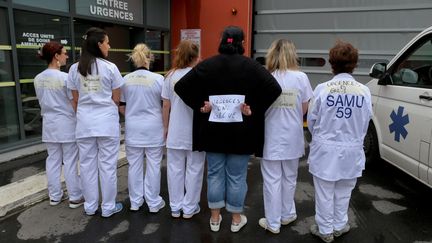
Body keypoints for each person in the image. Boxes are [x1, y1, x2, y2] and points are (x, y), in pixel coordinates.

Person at [174, 26, 281, 233]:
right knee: (237, 176)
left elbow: (181, 87)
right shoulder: (251, 66)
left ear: (222, 40)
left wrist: (201, 104)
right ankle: (235, 219)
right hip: (242, 133)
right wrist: (253, 108)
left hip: (213, 132)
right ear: (242, 43)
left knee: (214, 174)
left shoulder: (208, 64)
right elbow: (274, 89)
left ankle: (215, 219)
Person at [307, 40, 372, 242]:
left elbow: (311, 120)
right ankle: (339, 225)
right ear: (354, 63)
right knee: (344, 191)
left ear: (331, 63)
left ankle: (325, 230)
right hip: (352, 148)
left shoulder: (322, 89)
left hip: (325, 148)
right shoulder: (364, 91)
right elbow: (366, 120)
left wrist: (320, 136)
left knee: (325, 192)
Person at [67, 27, 124, 218]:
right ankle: (108, 207)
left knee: (87, 166)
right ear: (99, 44)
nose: (109, 46)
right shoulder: (110, 68)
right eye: (107, 42)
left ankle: (90, 206)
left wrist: (85, 113)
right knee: (107, 167)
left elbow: (74, 100)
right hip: (107, 123)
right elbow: (116, 99)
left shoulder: (74, 69)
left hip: (84, 124)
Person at [258, 39, 313, 234]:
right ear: (292, 54)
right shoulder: (301, 78)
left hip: (271, 135)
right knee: (290, 177)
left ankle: (273, 222)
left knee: (272, 179)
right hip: (292, 135)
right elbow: (305, 108)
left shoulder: (265, 76)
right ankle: (287, 213)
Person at [34, 41, 84, 209]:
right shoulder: (65, 78)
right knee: (70, 160)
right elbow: (74, 103)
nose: (67, 56)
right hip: (67, 124)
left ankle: (54, 196)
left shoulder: (37, 78)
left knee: (53, 160)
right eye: (64, 53)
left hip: (49, 124)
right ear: (56, 56)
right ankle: (75, 197)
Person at [119, 43, 166, 213]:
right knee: (154, 165)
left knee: (134, 166)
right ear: (150, 58)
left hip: (133, 128)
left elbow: (121, 105)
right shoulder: (159, 79)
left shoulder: (125, 80)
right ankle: (153, 202)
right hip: (154, 128)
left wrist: (132, 115)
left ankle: (135, 201)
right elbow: (165, 106)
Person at [162, 40, 205, 219]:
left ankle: (175, 206)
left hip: (175, 129)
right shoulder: (201, 76)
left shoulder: (170, 76)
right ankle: (189, 207)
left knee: (174, 169)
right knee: (194, 169)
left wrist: (165, 128)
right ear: (195, 56)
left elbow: (166, 106)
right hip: (196, 131)